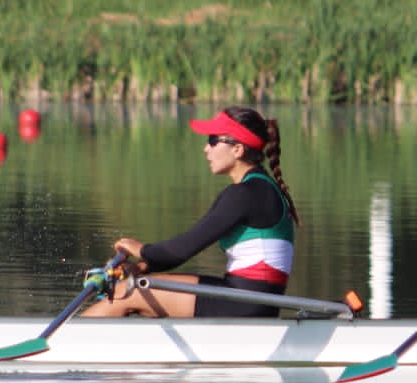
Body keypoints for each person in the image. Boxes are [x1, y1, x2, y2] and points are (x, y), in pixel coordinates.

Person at [83, 106, 299, 318]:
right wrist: (140, 267)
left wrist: (142, 249)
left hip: (247, 302)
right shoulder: (258, 188)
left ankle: (67, 344)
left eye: (213, 140)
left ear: (237, 149)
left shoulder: (245, 194)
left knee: (125, 292)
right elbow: (181, 252)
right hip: (253, 299)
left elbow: (183, 249)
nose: (206, 148)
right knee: (130, 285)